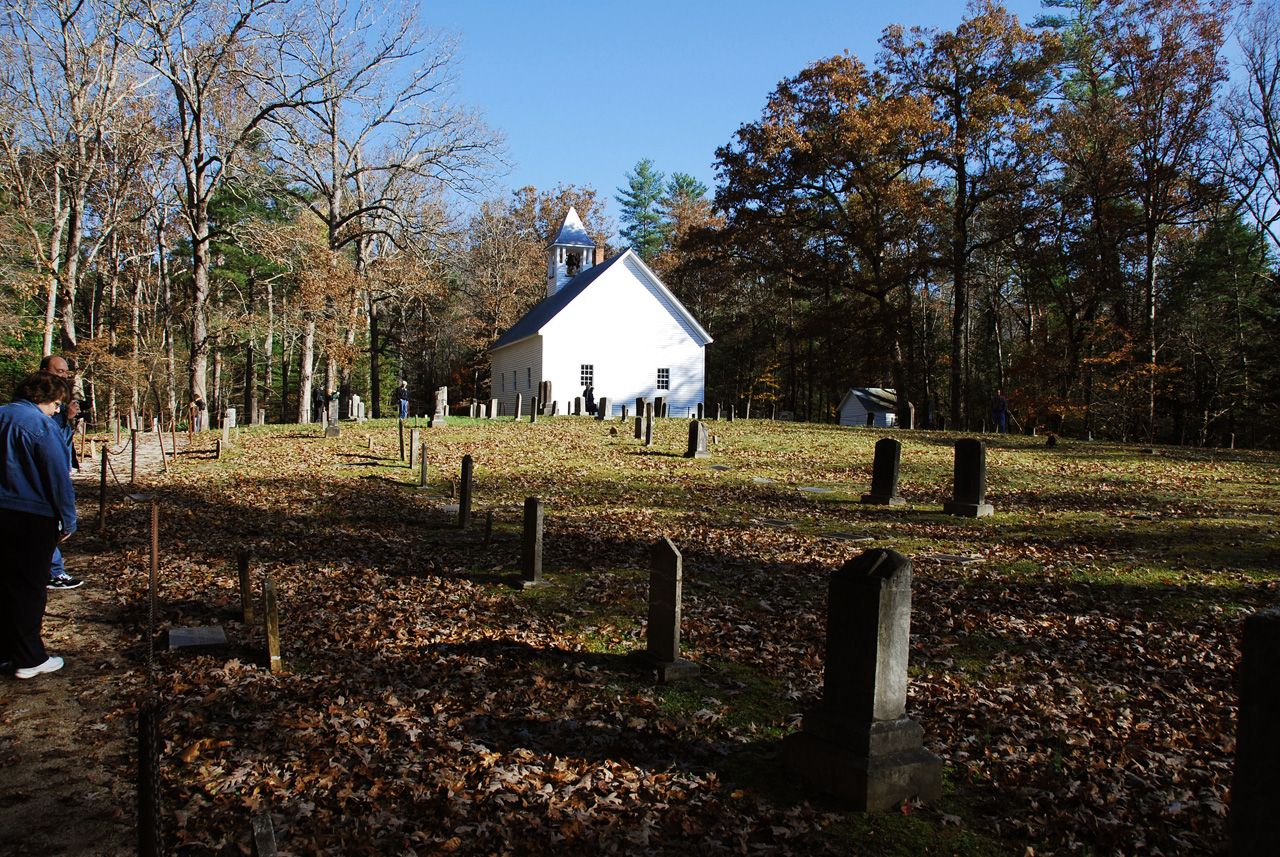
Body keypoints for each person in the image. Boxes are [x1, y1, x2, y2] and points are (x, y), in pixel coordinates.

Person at [0, 370, 77, 679]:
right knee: (29, 588)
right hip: (30, 517)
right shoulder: (40, 425)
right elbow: (58, 475)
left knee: (4, 585)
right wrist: (67, 518)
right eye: (56, 404)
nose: (58, 410)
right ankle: (30, 657)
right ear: (41, 398)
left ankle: (7, 651)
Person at [37, 356, 83, 591]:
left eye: (66, 372)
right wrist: (68, 519)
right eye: (59, 371)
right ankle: (52, 571)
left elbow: (61, 440)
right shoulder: (37, 403)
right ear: (45, 371)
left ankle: (52, 569)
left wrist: (69, 419)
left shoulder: (58, 401)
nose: (63, 375)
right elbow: (47, 438)